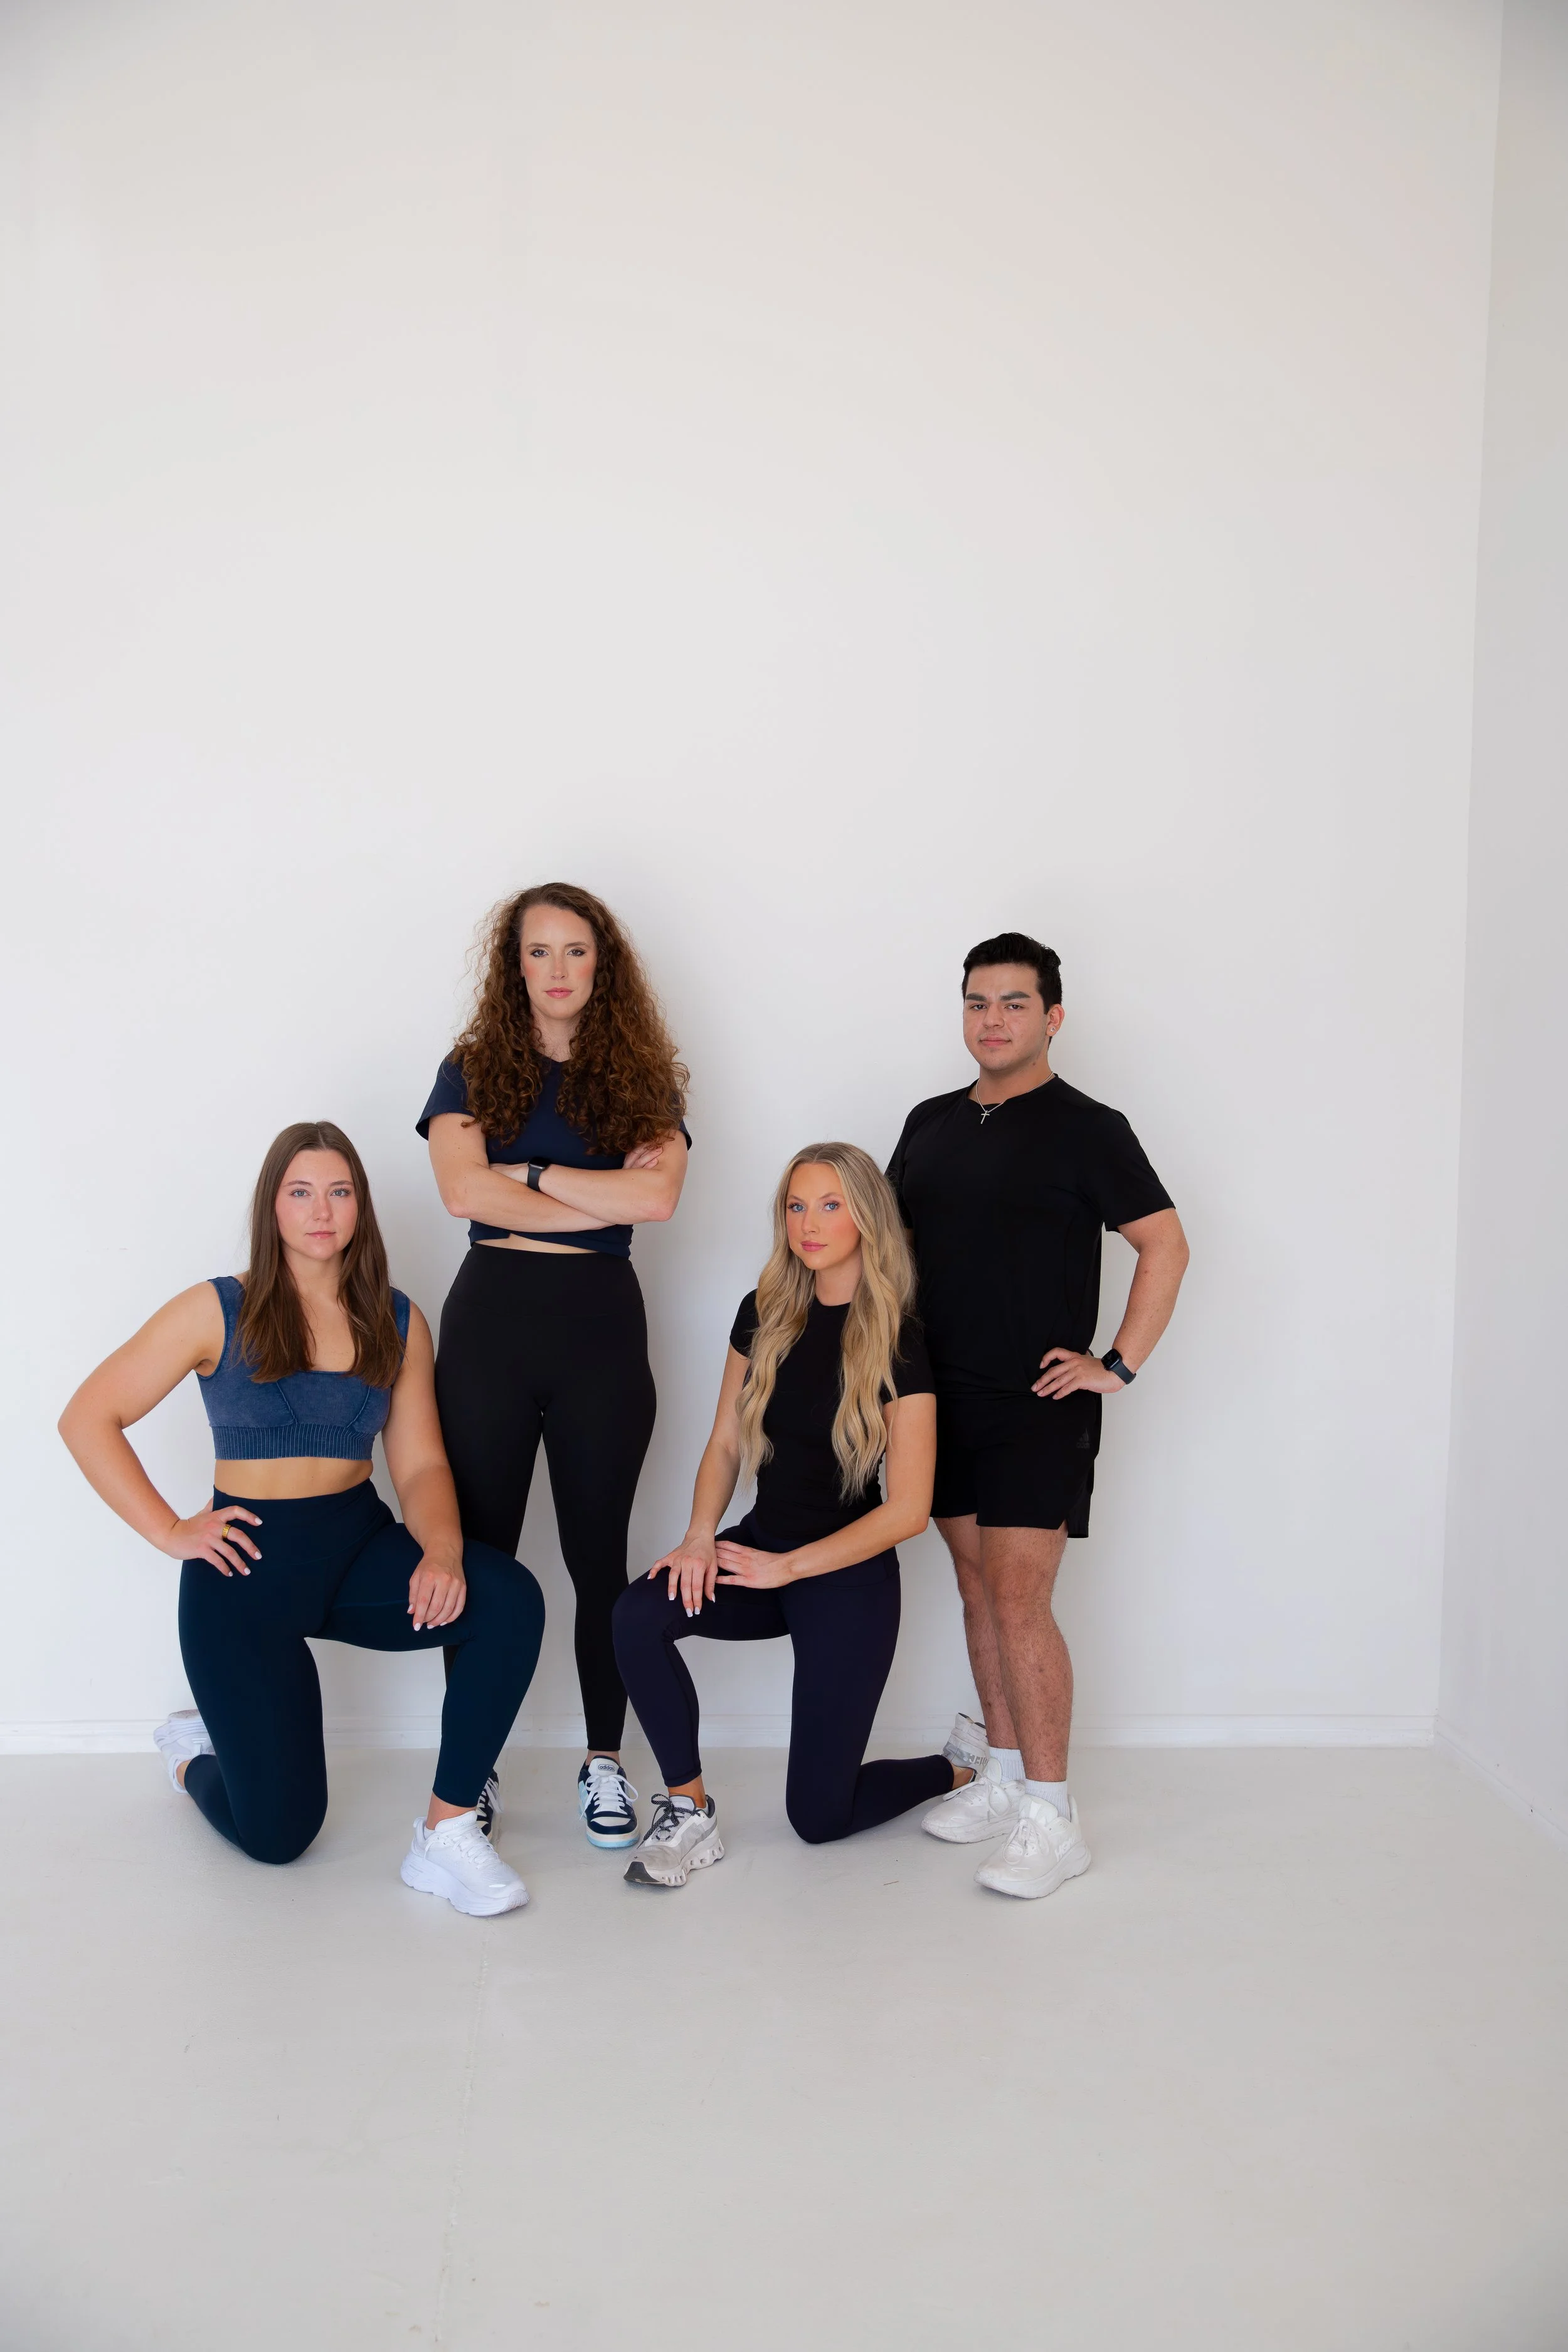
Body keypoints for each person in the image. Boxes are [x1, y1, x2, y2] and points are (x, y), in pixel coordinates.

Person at [57, 1122, 544, 1917]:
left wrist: (443, 1551)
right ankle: (191, 1754)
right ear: (273, 1206)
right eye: (301, 1192)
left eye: (339, 1191)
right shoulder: (216, 1308)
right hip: (242, 1577)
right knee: (279, 1837)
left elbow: (421, 1465)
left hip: (353, 1550)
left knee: (510, 1599)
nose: (322, 1211)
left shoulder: (397, 1320)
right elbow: (88, 1417)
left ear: (360, 1207)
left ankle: (448, 1831)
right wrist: (171, 1531)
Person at [887, 933, 1189, 1899]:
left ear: (1052, 1017)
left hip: (1036, 1403)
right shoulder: (929, 1123)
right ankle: (1007, 1776)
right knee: (977, 1589)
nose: (993, 1019)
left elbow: (1166, 1244)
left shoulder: (1090, 1128)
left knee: (1020, 1596)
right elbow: (890, 1252)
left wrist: (1117, 1364)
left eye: (1014, 1002)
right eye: (978, 1002)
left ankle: (1054, 1818)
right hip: (938, 1399)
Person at [611, 1143, 987, 1889]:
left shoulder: (900, 1340)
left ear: (866, 1218)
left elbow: (909, 1510)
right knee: (636, 1614)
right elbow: (725, 1443)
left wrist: (787, 1568)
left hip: (846, 1580)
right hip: (761, 1552)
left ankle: (955, 1767)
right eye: (795, 1206)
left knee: (819, 1817)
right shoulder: (765, 1312)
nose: (808, 1224)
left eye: (829, 1205)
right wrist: (698, 1538)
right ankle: (688, 1812)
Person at [420, 883, 689, 1851]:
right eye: (540, 951)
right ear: (515, 965)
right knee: (479, 1559)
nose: (559, 969)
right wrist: (593, 1192)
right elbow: (462, 1192)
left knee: (597, 1557)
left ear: (602, 963)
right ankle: (471, 1772)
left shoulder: (644, 1079)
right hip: (490, 1327)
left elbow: (655, 1203)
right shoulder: (470, 1067)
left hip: (599, 1333)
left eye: (577, 950)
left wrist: (525, 1174)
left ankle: (604, 1759)